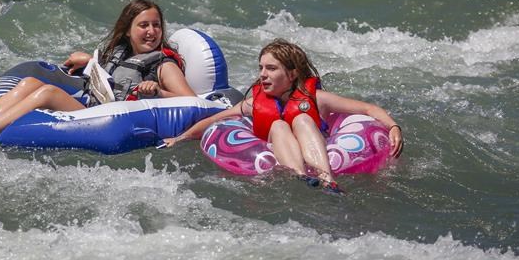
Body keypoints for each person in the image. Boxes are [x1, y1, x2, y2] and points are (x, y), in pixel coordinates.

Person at [0, 0, 196, 148]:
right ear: (127, 30)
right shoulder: (123, 52)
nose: (151, 31)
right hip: (95, 103)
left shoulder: (163, 65)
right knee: (30, 82)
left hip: (112, 116)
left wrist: (158, 91)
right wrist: (89, 61)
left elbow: (190, 102)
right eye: (143, 25)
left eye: (156, 25)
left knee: (47, 91)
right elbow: (110, 77)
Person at [163, 39, 403, 194]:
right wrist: (181, 138)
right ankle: (301, 177)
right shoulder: (254, 104)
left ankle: (328, 179)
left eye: (271, 69)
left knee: (302, 119)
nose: (263, 75)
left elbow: (368, 110)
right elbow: (215, 121)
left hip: (319, 148)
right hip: (280, 153)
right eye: (261, 68)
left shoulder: (317, 98)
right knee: (277, 125)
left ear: (292, 74)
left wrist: (393, 127)